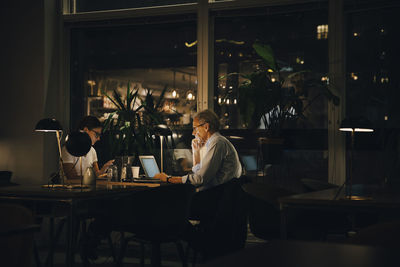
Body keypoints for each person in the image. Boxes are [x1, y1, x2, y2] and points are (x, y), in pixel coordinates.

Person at [154, 109, 242, 191]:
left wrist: (168, 179)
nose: (193, 133)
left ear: (206, 127)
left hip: (218, 197)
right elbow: (199, 174)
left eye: (195, 128)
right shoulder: (215, 142)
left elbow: (200, 179)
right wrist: (196, 152)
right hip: (218, 194)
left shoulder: (217, 142)